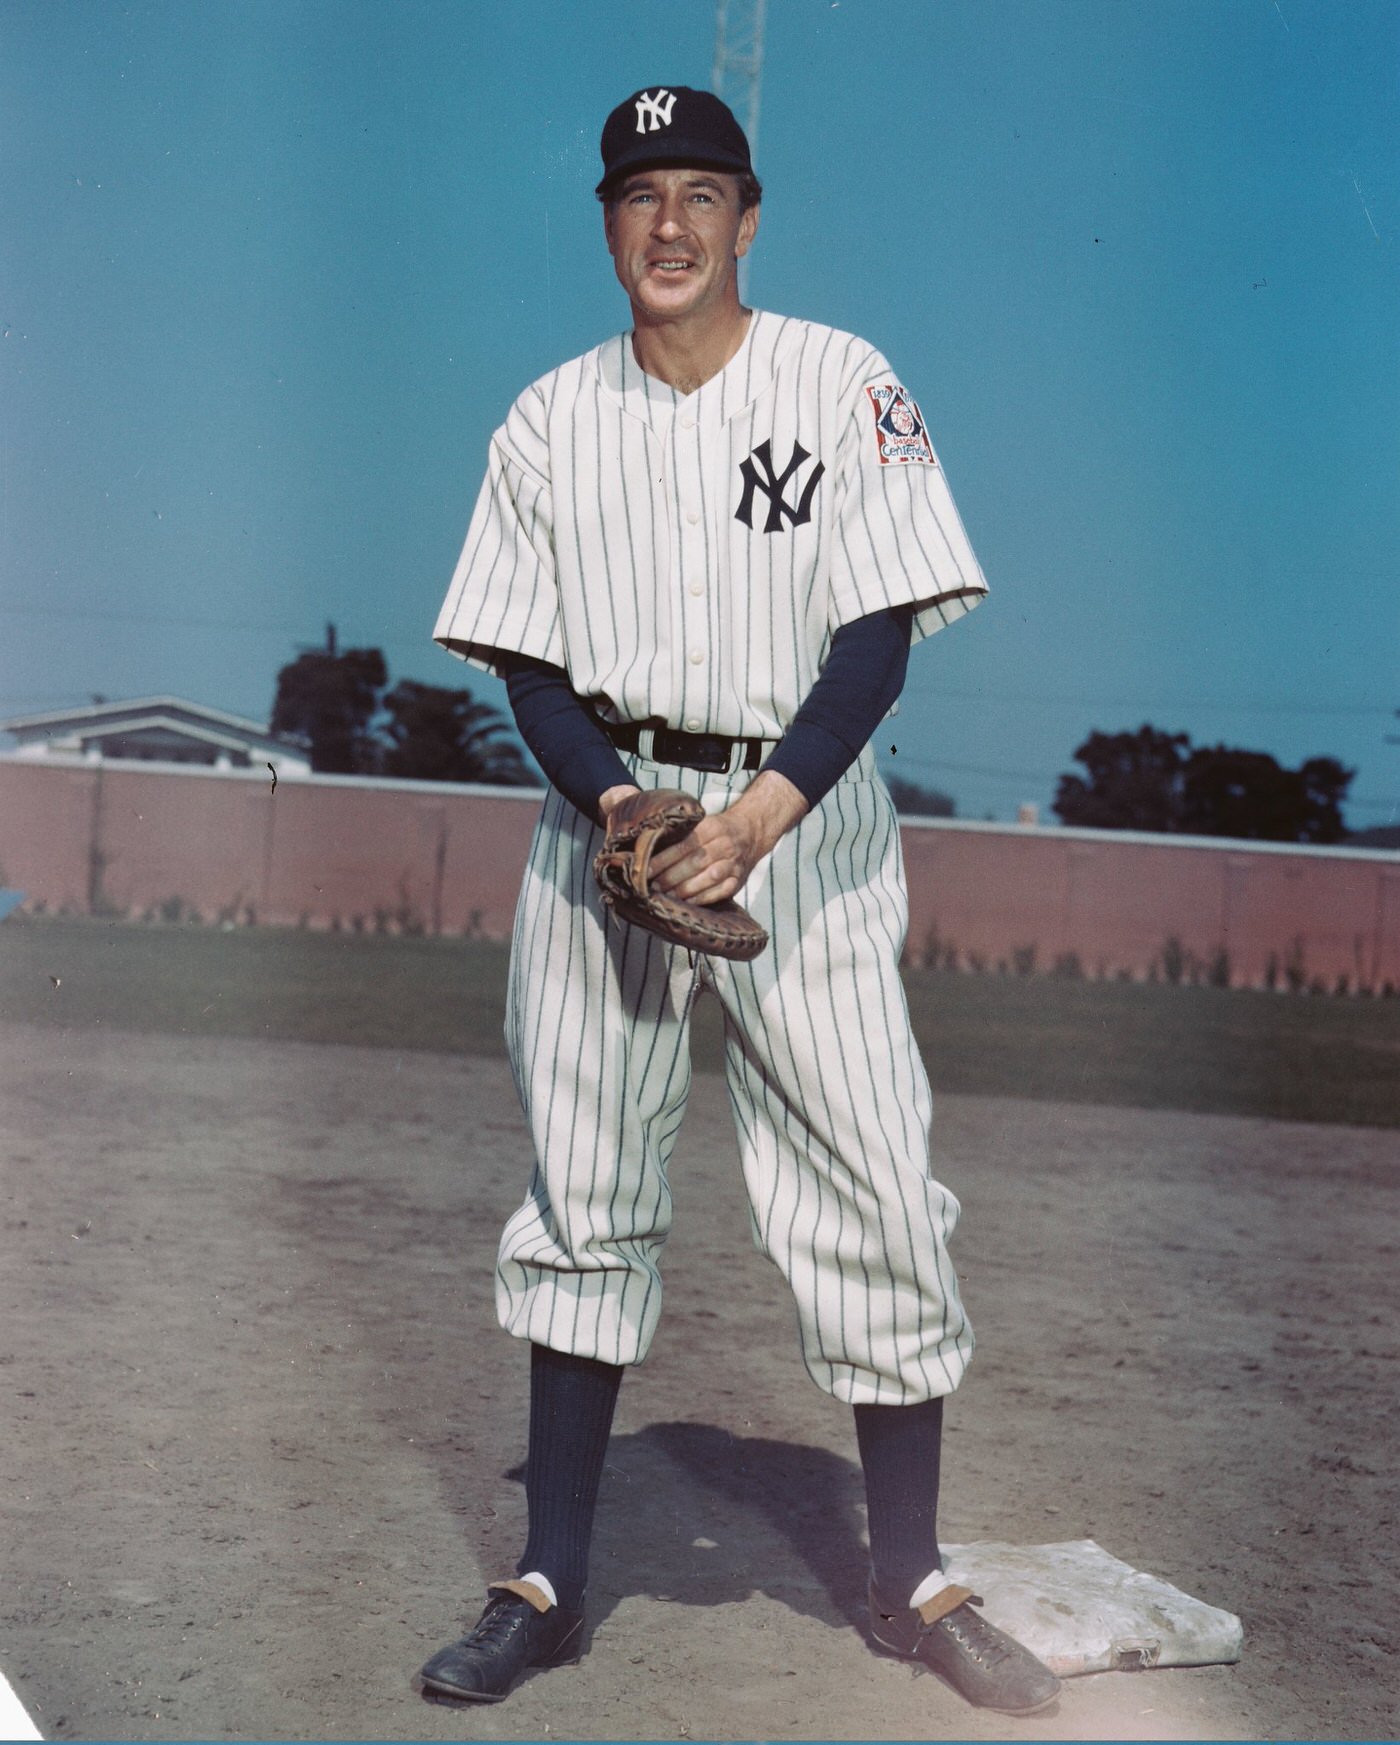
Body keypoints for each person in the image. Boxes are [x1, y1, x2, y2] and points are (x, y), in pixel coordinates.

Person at [418, 85, 1060, 1718]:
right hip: (610, 844)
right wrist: (621, 805)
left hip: (811, 834)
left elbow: (876, 636)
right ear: (607, 224)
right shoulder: (545, 419)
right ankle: (551, 1577)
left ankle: (910, 1576)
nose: (673, 225)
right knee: (582, 1197)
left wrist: (766, 810)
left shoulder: (846, 384)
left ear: (749, 218)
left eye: (703, 192)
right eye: (641, 196)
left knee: (876, 1195)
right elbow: (533, 668)